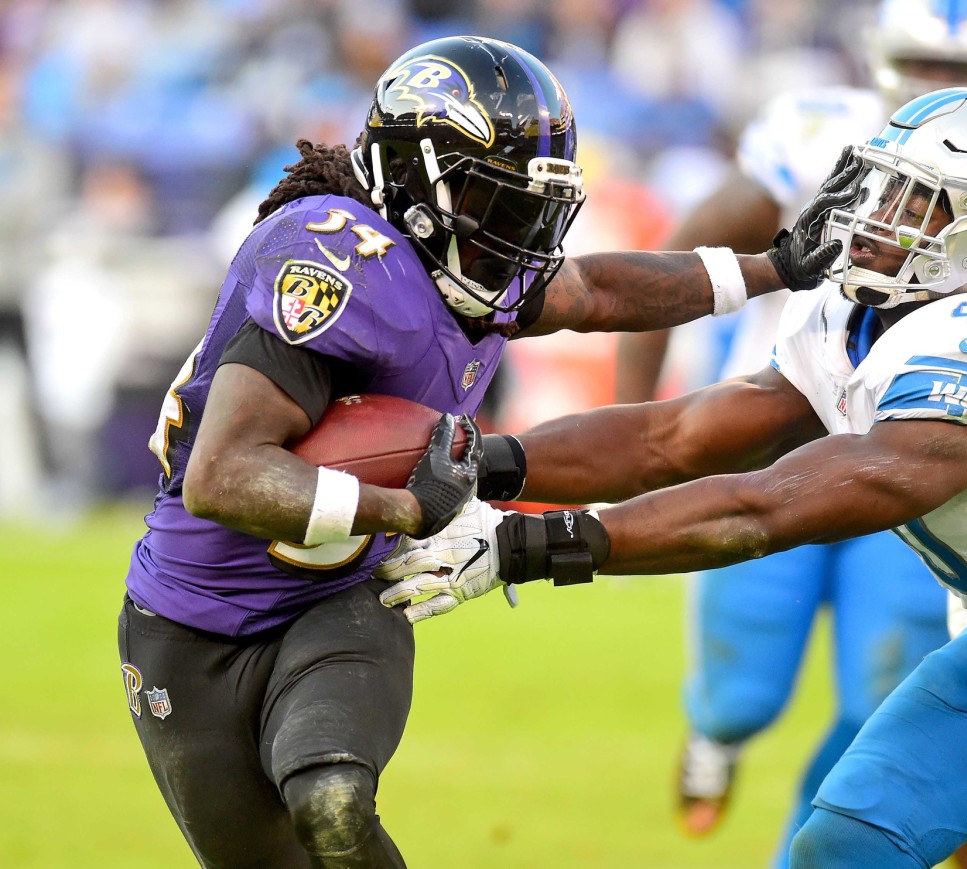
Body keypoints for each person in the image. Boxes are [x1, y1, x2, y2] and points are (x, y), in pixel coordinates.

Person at [380, 89, 967, 868]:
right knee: (843, 844)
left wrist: (529, 544)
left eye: (915, 202)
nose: (875, 214)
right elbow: (679, 435)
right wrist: (484, 461)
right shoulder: (855, 310)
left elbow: (767, 506)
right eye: (883, 186)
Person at [116, 35, 817, 868]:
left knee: (332, 803)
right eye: (500, 203)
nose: (521, 235)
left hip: (337, 594)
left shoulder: (469, 263)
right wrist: (406, 505)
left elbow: (596, 291)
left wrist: (772, 268)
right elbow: (224, 475)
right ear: (416, 186)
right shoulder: (338, 263)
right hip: (189, 623)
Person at [612, 3, 967, 863]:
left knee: (882, 694)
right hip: (782, 432)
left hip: (919, 459)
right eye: (921, 61)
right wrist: (641, 422)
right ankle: (716, 732)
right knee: (743, 692)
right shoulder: (819, 139)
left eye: (966, 69)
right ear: (883, 60)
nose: (943, 85)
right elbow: (683, 260)